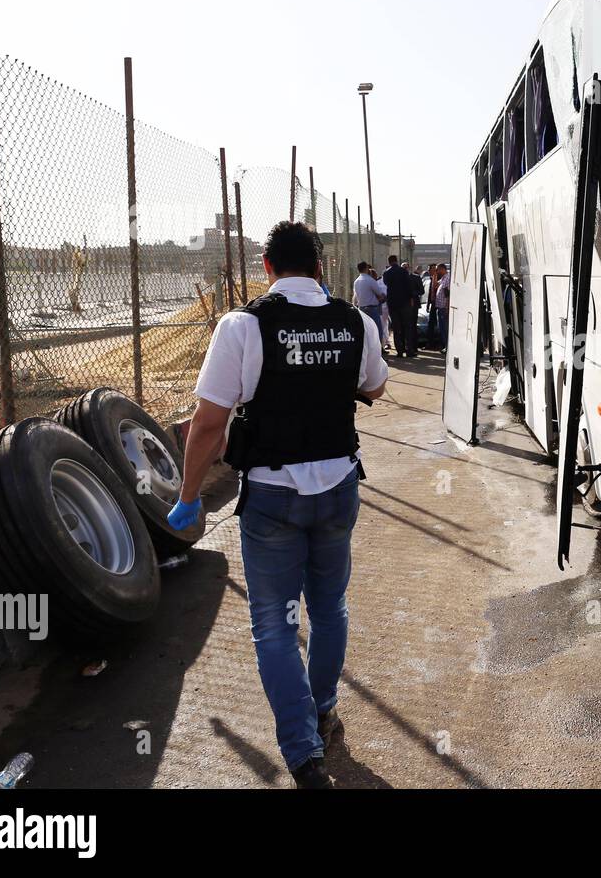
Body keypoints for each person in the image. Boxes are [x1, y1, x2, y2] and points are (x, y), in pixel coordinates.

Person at [166, 222, 387, 787]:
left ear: (266, 265)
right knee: (330, 606)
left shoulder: (242, 326)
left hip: (272, 498)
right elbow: (376, 386)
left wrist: (189, 497)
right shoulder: (355, 322)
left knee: (274, 625)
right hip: (339, 487)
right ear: (319, 266)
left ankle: (303, 754)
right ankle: (323, 709)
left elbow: (209, 425)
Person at [383, 255, 419, 358]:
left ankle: (399, 351)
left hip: (393, 303)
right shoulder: (403, 271)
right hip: (405, 303)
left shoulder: (386, 273)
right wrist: (411, 298)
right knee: (407, 327)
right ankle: (409, 350)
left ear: (389, 262)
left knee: (396, 327)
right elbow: (409, 286)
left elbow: (385, 283)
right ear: (397, 261)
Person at [352, 261, 386, 345]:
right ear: (366, 268)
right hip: (372, 309)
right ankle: (379, 352)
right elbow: (379, 293)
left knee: (366, 332)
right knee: (377, 331)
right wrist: (383, 297)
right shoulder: (370, 280)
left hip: (361, 309)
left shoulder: (356, 281)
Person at [435, 263, 450, 352]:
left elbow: (448, 294)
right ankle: (445, 345)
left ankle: (447, 347)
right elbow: (435, 285)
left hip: (444, 308)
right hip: (440, 307)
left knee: (445, 328)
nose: (437, 272)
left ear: (442, 269)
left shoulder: (447, 278)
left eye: (438, 270)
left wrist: (447, 307)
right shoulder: (443, 278)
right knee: (442, 328)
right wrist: (434, 275)